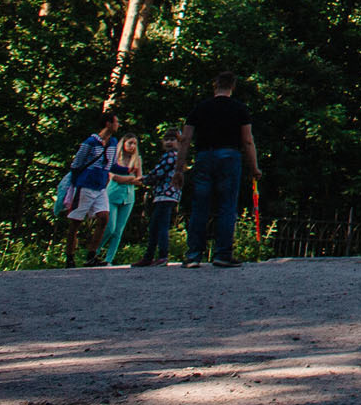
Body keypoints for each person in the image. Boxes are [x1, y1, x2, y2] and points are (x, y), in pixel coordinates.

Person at [180, 73, 258, 268]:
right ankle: (222, 253)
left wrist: (178, 168)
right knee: (226, 206)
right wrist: (254, 167)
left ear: (214, 86)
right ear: (233, 87)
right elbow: (247, 140)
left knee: (200, 206)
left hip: (204, 156)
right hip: (229, 156)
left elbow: (186, 139)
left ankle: (193, 254)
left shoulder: (200, 108)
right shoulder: (239, 109)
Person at [63, 112, 119, 267]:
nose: (118, 125)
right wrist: (75, 185)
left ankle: (91, 254)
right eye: (116, 122)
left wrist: (128, 170)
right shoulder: (90, 142)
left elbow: (112, 164)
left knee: (104, 218)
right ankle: (70, 256)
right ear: (108, 123)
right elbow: (77, 163)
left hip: (101, 186)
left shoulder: (113, 142)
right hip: (85, 185)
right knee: (76, 221)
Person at [134, 129, 183, 267]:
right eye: (166, 139)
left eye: (172, 140)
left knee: (160, 225)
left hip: (165, 195)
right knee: (155, 225)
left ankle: (162, 255)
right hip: (165, 195)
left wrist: (144, 179)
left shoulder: (171, 156)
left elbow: (158, 172)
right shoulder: (175, 156)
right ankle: (149, 256)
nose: (168, 142)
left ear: (179, 142)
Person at [96, 134, 142, 266]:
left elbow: (140, 180)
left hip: (128, 197)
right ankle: (95, 252)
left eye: (134, 144)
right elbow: (114, 177)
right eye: (130, 143)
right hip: (112, 195)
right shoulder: (115, 159)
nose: (132, 146)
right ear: (123, 144)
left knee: (118, 231)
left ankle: (109, 259)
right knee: (110, 227)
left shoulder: (137, 159)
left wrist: (129, 180)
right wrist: (130, 179)